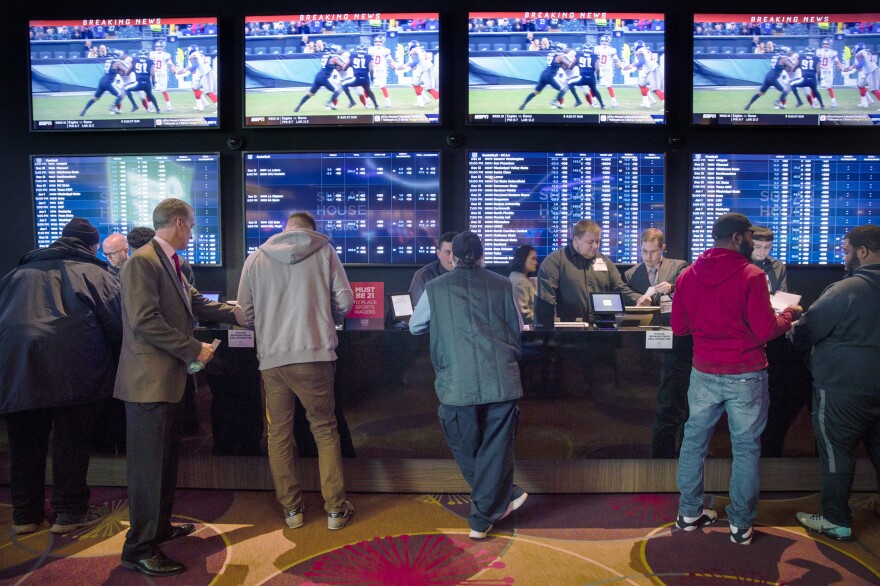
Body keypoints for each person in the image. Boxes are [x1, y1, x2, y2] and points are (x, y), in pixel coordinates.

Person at [114, 198, 244, 577]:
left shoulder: (167, 261)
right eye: (191, 224)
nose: (194, 231)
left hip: (165, 382)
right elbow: (145, 321)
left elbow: (194, 303)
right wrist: (194, 348)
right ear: (177, 223)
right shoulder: (142, 261)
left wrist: (239, 311)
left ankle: (158, 528)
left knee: (164, 464)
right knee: (148, 470)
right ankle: (138, 548)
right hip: (147, 384)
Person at [672, 212, 802, 546]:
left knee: (694, 442)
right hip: (746, 375)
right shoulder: (752, 275)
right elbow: (765, 330)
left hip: (703, 373)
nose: (753, 242)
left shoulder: (687, 275)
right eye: (749, 236)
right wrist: (789, 315)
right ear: (736, 238)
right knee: (745, 449)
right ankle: (740, 526)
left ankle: (688, 514)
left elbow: (679, 328)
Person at [0, 218, 122, 535]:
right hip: (76, 371)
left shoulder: (16, 274)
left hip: (18, 369)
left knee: (24, 446)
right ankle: (69, 512)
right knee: (71, 441)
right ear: (93, 246)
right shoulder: (97, 274)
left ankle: (26, 516)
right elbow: (118, 327)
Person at [237, 211, 355, 531]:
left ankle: (292, 511)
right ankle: (335, 509)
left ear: (285, 229)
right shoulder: (326, 252)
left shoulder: (256, 258)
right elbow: (346, 302)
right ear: (311, 231)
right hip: (315, 356)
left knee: (278, 436)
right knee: (324, 429)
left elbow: (243, 315)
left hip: (273, 361)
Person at [409, 232, 528, 539]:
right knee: (496, 446)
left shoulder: (434, 288)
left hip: (456, 380)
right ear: (480, 254)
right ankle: (505, 494)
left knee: (465, 444)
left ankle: (481, 517)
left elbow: (415, 326)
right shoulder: (503, 284)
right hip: (501, 376)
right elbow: (518, 325)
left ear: (453, 256)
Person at [792, 224, 880, 542]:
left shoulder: (844, 290)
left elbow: (804, 332)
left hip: (842, 390)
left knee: (836, 453)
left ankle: (835, 519)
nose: (843, 257)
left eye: (845, 250)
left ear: (863, 251)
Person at [623, 228, 690, 458]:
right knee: (652, 397)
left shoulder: (679, 267)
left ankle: (681, 451)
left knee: (679, 400)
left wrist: (673, 288)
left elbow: (691, 291)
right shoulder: (632, 275)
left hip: (678, 341)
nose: (648, 257)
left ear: (663, 249)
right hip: (647, 343)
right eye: (644, 251)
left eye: (653, 251)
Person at [536, 219, 644, 323]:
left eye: (598, 241)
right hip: (568, 332)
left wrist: (638, 299)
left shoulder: (605, 262)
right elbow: (546, 302)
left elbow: (619, 287)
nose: (595, 246)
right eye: (590, 242)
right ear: (576, 240)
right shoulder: (554, 262)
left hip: (602, 330)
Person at [408, 231, 458, 305]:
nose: (452, 258)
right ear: (438, 253)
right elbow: (415, 310)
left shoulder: (471, 274)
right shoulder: (423, 276)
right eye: (447, 252)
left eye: (456, 253)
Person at [519, 43, 572, 110]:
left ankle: (524, 104)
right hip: (550, 76)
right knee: (564, 89)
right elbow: (569, 65)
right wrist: (571, 61)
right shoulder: (560, 56)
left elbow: (558, 64)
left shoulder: (551, 54)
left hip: (544, 74)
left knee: (536, 92)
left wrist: (563, 65)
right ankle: (554, 101)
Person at [295, 44, 345, 112]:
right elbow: (342, 65)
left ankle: (298, 106)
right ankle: (329, 103)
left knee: (310, 94)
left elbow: (331, 66)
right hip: (325, 78)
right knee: (337, 90)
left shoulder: (325, 56)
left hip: (318, 76)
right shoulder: (334, 58)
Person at [744, 46, 795, 111]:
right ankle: (778, 101)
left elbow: (780, 66)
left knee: (760, 93)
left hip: (768, 76)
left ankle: (748, 104)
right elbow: (791, 66)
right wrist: (795, 64)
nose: (788, 54)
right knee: (786, 90)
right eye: (787, 52)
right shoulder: (784, 59)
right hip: (774, 78)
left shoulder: (775, 57)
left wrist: (786, 68)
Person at [79, 49, 128, 116]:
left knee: (95, 98)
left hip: (102, 81)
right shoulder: (117, 63)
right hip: (108, 82)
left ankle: (84, 111)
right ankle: (113, 107)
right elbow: (125, 70)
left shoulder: (108, 61)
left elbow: (114, 70)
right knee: (121, 95)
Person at [396, 40, 439, 108]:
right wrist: (399, 67)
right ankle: (421, 102)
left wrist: (407, 68)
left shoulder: (414, 51)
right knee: (415, 83)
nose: (408, 47)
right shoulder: (420, 50)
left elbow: (415, 61)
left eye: (409, 45)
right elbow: (411, 63)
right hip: (426, 70)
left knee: (429, 88)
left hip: (427, 70)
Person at [622, 41, 664, 109]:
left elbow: (641, 61)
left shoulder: (640, 52)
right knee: (641, 84)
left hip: (653, 71)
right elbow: (636, 63)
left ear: (637, 46)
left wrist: (634, 68)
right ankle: (648, 102)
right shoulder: (646, 51)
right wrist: (624, 68)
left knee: (655, 89)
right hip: (650, 71)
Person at [841, 43, 880, 110]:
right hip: (869, 73)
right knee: (860, 85)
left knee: (874, 90)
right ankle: (864, 103)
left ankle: (868, 102)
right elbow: (853, 66)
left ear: (858, 48)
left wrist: (852, 71)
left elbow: (861, 63)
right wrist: (843, 70)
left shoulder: (860, 54)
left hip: (872, 71)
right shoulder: (865, 53)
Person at [341, 44, 379, 109]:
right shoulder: (368, 57)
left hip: (356, 78)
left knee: (343, 84)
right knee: (368, 91)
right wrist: (372, 78)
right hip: (365, 79)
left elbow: (345, 68)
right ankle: (376, 105)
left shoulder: (353, 56)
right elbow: (371, 69)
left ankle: (352, 101)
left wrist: (350, 66)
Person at [750, 226, 787, 293]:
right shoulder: (738, 265)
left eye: (767, 247)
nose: (762, 252)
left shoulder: (778, 266)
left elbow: (782, 297)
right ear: (749, 244)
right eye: (758, 247)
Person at [124, 50, 161, 115]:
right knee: (150, 95)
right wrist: (153, 83)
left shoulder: (135, 61)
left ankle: (134, 105)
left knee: (126, 89)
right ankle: (157, 109)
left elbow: (127, 73)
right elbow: (152, 74)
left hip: (138, 83)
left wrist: (131, 71)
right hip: (147, 83)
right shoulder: (150, 61)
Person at [509, 245, 538, 324]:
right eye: (533, 259)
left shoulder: (519, 277)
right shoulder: (520, 281)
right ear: (523, 258)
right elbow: (524, 314)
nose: (536, 262)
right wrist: (542, 319)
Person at [368, 35, 399, 108]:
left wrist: (393, 64)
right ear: (374, 42)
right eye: (376, 42)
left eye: (379, 42)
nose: (378, 43)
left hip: (381, 70)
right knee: (368, 87)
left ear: (382, 42)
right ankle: (368, 103)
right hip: (373, 70)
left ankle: (388, 103)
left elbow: (390, 58)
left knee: (382, 86)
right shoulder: (370, 49)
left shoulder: (385, 50)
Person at [594, 34, 624, 108]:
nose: (604, 42)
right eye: (602, 41)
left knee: (609, 86)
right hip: (598, 69)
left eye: (606, 41)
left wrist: (619, 64)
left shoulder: (611, 50)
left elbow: (616, 59)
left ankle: (614, 102)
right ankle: (593, 102)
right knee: (593, 86)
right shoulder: (596, 48)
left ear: (608, 42)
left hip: (607, 69)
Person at [150, 39, 178, 112]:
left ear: (163, 47)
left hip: (162, 74)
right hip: (154, 74)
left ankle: (169, 106)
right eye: (157, 46)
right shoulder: (152, 54)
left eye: (160, 46)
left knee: (164, 90)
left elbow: (170, 63)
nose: (158, 48)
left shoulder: (166, 55)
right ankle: (150, 106)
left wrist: (173, 67)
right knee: (149, 91)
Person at [816, 37, 842, 108]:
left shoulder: (832, 52)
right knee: (814, 86)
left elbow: (837, 61)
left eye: (827, 44)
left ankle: (833, 102)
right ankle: (814, 102)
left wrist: (840, 66)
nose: (825, 45)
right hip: (820, 70)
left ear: (830, 45)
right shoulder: (818, 51)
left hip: (828, 71)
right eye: (824, 44)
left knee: (829, 87)